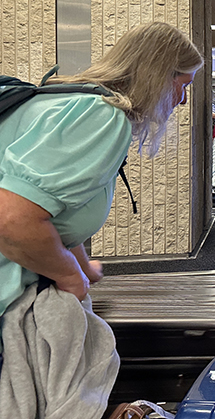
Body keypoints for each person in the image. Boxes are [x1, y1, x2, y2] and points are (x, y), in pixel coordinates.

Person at [0, 22, 202, 407]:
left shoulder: (61, 100)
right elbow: (13, 218)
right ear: (159, 75)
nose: (182, 100)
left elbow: (49, 210)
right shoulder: (101, 117)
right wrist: (68, 275)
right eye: (184, 85)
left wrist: (78, 263)